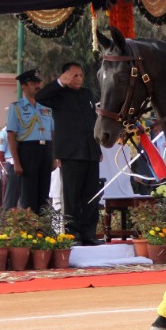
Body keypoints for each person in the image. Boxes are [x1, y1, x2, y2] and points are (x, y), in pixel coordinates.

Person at [37, 62, 103, 245]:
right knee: (71, 197)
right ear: (65, 76)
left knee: (91, 195)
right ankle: (73, 234)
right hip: (71, 152)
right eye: (74, 75)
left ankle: (88, 234)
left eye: (81, 75)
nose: (79, 79)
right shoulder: (58, 94)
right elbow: (40, 97)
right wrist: (58, 82)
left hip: (90, 151)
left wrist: (97, 149)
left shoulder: (87, 94)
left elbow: (92, 121)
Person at [6, 70, 54, 213]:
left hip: (45, 150)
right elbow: (11, 136)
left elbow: (53, 133)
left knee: (44, 192)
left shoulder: (47, 107)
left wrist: (54, 157)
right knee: (28, 194)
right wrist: (17, 162)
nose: (37, 86)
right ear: (24, 86)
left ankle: (43, 229)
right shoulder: (16, 107)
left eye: (39, 82)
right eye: (33, 83)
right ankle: (30, 230)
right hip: (27, 151)